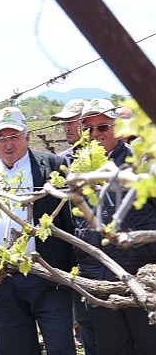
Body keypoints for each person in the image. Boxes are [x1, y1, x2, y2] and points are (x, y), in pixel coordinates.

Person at [0, 107, 76, 355]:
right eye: (2, 138)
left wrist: (69, 272)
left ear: (27, 137)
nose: (8, 145)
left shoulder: (53, 166)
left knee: (60, 346)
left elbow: (70, 221)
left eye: (14, 137)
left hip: (49, 276)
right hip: (2, 280)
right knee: (15, 348)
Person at [76, 98, 156, 355]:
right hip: (98, 280)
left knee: (147, 345)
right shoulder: (79, 169)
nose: (95, 134)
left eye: (103, 127)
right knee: (111, 348)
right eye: (89, 128)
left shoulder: (140, 165)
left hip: (138, 275)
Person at [51, 99, 96, 355]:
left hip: (109, 253)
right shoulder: (61, 162)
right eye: (64, 123)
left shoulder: (106, 157)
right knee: (85, 321)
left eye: (71, 121)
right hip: (77, 256)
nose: (66, 127)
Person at [50, 99, 89, 164]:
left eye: (70, 122)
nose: (66, 128)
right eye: (64, 123)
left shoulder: (105, 156)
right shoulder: (63, 160)